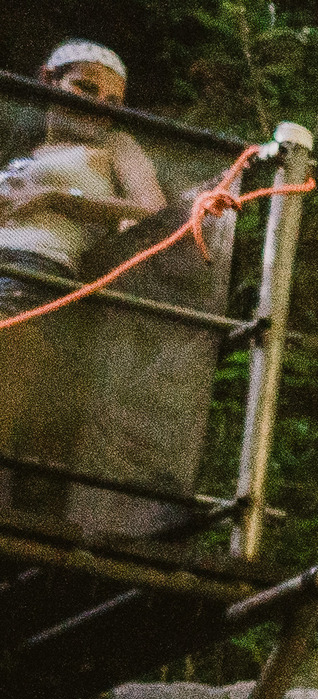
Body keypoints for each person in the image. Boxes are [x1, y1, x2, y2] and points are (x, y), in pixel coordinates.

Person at [0, 42, 165, 521]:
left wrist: (61, 198)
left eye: (112, 103)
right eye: (84, 88)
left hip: (37, 274)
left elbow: (154, 213)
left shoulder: (114, 148)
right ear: (49, 81)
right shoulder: (21, 150)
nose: (96, 106)